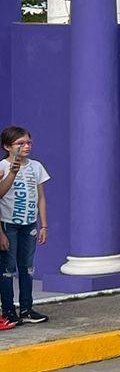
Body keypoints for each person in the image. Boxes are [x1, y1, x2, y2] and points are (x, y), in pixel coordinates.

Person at [0, 127, 49, 327]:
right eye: (20, 143)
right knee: (7, 269)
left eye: (29, 142)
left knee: (26, 268)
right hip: (8, 224)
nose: (26, 146)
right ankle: (9, 311)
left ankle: (27, 308)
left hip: (29, 224)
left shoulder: (36, 167)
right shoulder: (2, 167)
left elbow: (41, 197)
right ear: (7, 146)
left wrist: (44, 224)